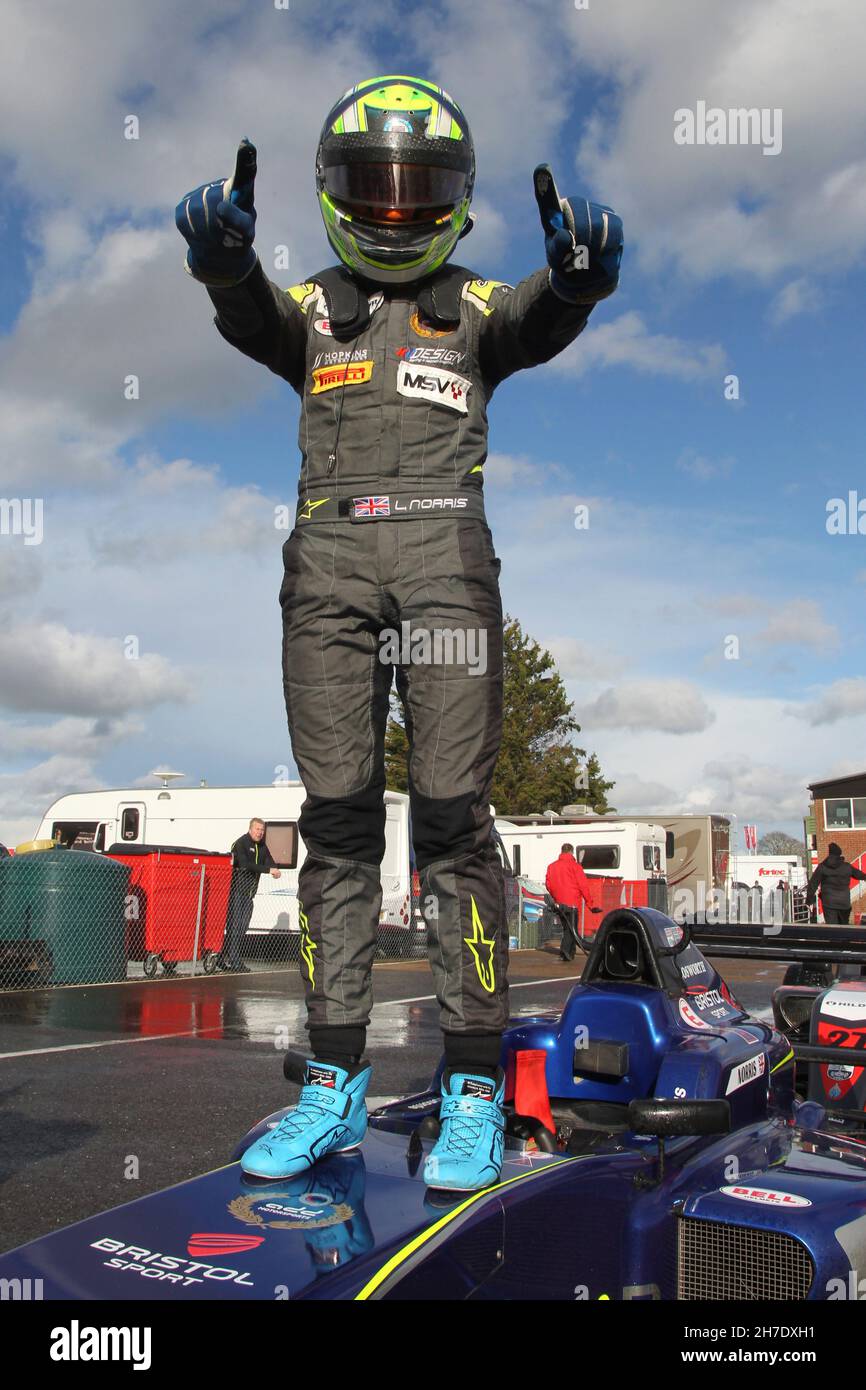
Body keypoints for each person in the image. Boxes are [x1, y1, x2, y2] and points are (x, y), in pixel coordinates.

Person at [176, 75, 622, 1190]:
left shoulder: (475, 308)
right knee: (332, 821)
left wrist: (575, 281)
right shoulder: (308, 308)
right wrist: (221, 261)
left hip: (442, 566)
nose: (390, 208)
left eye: (414, 187)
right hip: (324, 568)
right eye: (372, 185)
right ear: (333, 193)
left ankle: (470, 1087)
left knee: (450, 819)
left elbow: (535, 317)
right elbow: (247, 316)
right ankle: (333, 1088)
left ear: (454, 199)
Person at [220, 819, 281, 972]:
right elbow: (245, 864)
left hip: (249, 894)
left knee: (243, 927)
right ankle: (234, 962)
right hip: (236, 892)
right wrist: (268, 870)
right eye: (257, 829)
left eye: (262, 830)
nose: (260, 832)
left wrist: (275, 869)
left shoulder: (262, 845)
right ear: (250, 829)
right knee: (234, 927)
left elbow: (269, 861)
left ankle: (221, 957)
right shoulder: (241, 843)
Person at [545, 843, 602, 961]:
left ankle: (570, 951)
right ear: (571, 852)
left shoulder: (551, 867)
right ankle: (565, 952)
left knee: (567, 927)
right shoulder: (575, 867)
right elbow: (583, 886)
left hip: (559, 903)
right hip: (572, 904)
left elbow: (548, 884)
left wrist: (556, 897)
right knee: (571, 929)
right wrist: (590, 904)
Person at [805, 842, 866, 925]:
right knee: (844, 928)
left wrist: (809, 900)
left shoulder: (822, 867)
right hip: (844, 903)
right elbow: (860, 875)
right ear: (839, 854)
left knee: (833, 929)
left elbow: (813, 884)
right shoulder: (847, 867)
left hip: (829, 903)